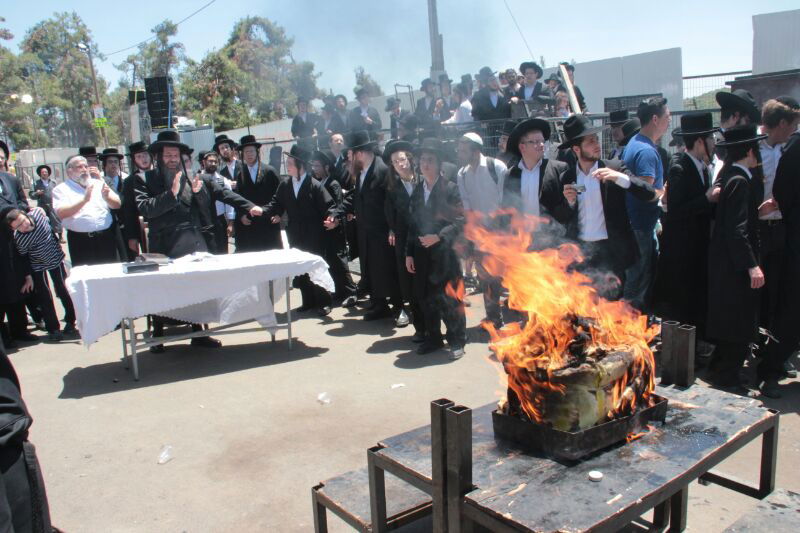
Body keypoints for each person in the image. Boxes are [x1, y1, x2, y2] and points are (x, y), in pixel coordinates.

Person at [135, 129, 260, 351]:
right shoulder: (144, 179)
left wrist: (250, 206)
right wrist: (170, 194)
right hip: (162, 244)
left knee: (195, 291)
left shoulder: (194, 178)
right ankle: (158, 335)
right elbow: (145, 208)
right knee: (162, 293)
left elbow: (224, 194)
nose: (172, 159)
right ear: (158, 157)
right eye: (168, 155)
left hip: (191, 243)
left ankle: (199, 333)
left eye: (176, 155)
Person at [540, 115, 656, 299]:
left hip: (611, 253)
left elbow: (648, 192)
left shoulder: (614, 167)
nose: (597, 144)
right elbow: (561, 217)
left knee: (611, 310)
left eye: (596, 139)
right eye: (590, 141)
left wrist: (620, 178)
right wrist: (569, 203)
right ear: (576, 149)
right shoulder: (567, 177)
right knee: (583, 307)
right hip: (582, 254)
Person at [706, 125, 766, 394]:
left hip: (724, 262)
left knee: (728, 319)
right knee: (738, 322)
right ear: (750, 151)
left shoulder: (728, 176)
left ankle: (720, 369)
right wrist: (752, 265)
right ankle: (728, 378)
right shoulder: (740, 181)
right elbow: (737, 230)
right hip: (735, 266)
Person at [653, 112, 719, 346]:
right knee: (681, 305)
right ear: (700, 141)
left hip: (699, 248)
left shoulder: (704, 168)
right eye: (710, 139)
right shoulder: (680, 167)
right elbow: (677, 211)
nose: (714, 143)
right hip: (682, 252)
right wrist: (707, 199)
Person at [405, 138, 466, 359]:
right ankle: (433, 338)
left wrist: (439, 236)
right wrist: (409, 254)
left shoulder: (451, 189)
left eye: (430, 160)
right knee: (426, 297)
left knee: (450, 298)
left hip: (446, 255)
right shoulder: (417, 191)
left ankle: (457, 340)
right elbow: (411, 224)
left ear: (439, 164)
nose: (425, 164)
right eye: (422, 160)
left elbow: (461, 220)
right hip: (422, 255)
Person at [263, 145, 337, 316]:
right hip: (295, 233)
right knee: (301, 269)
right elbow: (276, 204)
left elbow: (330, 206)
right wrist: (261, 210)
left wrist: (333, 219)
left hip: (314, 234)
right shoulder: (286, 185)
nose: (286, 166)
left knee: (316, 268)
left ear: (300, 166)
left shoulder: (314, 185)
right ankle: (308, 301)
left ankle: (324, 302)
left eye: (290, 163)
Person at [758, 108, 800, 397]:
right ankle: (769, 369)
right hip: (793, 239)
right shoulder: (795, 151)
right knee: (790, 309)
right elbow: (782, 192)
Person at [348, 130, 402, 320]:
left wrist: (392, 228)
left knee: (389, 269)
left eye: (351, 154)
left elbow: (393, 202)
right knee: (371, 269)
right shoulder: (361, 173)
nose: (349, 158)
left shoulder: (383, 171)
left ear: (360, 154)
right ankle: (379, 304)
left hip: (383, 233)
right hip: (366, 233)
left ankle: (399, 307)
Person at [622, 97, 670, 312]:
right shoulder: (647, 152)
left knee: (637, 278)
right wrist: (665, 192)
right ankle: (631, 329)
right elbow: (645, 191)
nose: (669, 121)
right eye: (667, 117)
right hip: (641, 226)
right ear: (654, 119)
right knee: (639, 282)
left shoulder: (635, 143)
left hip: (638, 224)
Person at [455, 132, 507, 327]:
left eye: (463, 149)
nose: (459, 153)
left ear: (476, 150)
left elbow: (505, 198)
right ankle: (494, 318)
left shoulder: (496, 167)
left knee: (504, 277)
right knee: (485, 278)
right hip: (479, 235)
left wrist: (496, 224)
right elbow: (466, 205)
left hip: (500, 233)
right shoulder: (462, 174)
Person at [5, 208, 76, 341]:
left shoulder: (38, 215)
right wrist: (28, 276)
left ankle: (71, 320)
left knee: (63, 290)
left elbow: (46, 214)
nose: (23, 227)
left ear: (26, 215)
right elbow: (23, 257)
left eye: (22, 222)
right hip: (37, 266)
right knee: (45, 296)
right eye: (18, 227)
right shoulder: (20, 238)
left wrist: (42, 209)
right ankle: (53, 328)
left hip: (56, 260)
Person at [52, 155, 122, 266]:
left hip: (105, 238)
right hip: (81, 241)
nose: (85, 169)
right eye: (80, 167)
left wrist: (107, 197)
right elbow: (61, 213)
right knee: (86, 278)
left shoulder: (98, 183)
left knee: (110, 274)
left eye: (86, 166)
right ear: (69, 170)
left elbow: (117, 204)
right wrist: (84, 200)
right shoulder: (61, 189)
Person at [310, 149, 357, 307]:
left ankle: (351, 291)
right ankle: (339, 290)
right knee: (330, 260)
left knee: (339, 261)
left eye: (318, 166)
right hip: (324, 229)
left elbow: (338, 205)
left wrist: (335, 220)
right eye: (314, 166)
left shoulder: (333, 183)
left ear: (327, 167)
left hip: (336, 228)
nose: (315, 169)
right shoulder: (319, 183)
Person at [383, 140, 421, 332]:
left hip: (424, 232)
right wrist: (392, 229)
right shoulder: (392, 187)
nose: (400, 164)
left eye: (402, 159)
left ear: (409, 159)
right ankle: (414, 312)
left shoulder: (421, 179)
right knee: (407, 276)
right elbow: (389, 213)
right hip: (403, 235)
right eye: (396, 162)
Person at [0, 158, 36, 346]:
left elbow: (23, 202)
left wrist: (19, 214)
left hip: (14, 240)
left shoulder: (10, 179)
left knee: (18, 283)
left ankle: (19, 329)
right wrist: (10, 214)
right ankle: (3, 337)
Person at [232, 135, 282, 252]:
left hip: (269, 220)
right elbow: (238, 198)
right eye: (246, 151)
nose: (249, 154)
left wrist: (279, 213)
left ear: (257, 152)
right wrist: (242, 215)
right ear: (242, 154)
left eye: (251, 151)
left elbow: (280, 194)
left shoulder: (269, 171)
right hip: (251, 223)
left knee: (272, 256)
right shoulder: (241, 174)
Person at [199, 151, 236, 254]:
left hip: (219, 221)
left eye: (216, 162)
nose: (213, 164)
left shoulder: (222, 181)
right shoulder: (197, 179)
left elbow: (230, 202)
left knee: (222, 250)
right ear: (204, 162)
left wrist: (230, 223)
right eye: (210, 161)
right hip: (203, 221)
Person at [122, 141, 151, 259]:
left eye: (145, 154)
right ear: (134, 160)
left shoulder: (161, 174)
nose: (143, 159)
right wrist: (132, 237)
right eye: (138, 156)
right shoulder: (130, 181)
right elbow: (129, 210)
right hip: (143, 228)